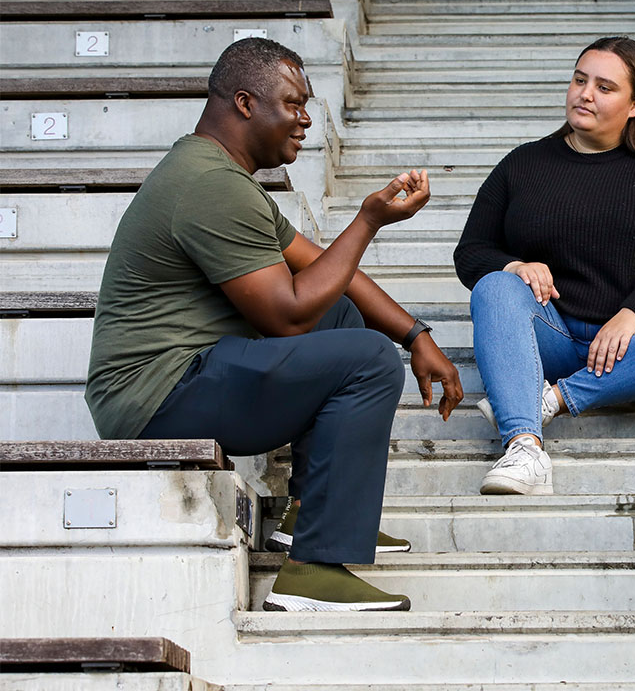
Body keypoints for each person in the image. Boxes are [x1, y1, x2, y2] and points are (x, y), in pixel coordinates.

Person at [85, 38, 463, 612]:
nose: (307, 118)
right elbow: (286, 316)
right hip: (154, 397)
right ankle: (313, 569)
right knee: (366, 360)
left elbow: (320, 268)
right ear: (244, 103)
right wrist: (368, 220)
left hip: (183, 376)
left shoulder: (220, 176)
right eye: (292, 103)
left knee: (338, 314)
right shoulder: (208, 186)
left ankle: (308, 515)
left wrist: (416, 334)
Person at [453, 36, 635, 495]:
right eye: (580, 80)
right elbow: (471, 252)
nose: (585, 94)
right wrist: (514, 265)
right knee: (493, 288)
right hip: (552, 337)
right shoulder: (524, 164)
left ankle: (553, 399)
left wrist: (632, 314)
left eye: (605, 87)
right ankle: (524, 447)